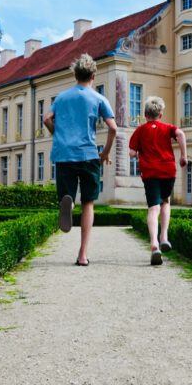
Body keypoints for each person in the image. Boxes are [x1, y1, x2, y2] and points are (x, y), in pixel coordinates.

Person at [44, 53, 117, 266]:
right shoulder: (99, 99)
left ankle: (67, 202)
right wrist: (105, 153)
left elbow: (46, 118)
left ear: (74, 74)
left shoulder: (61, 97)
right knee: (89, 202)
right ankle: (82, 254)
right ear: (93, 75)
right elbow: (113, 128)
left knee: (67, 194)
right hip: (88, 155)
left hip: (64, 154)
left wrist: (57, 133)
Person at [129, 96, 187, 266]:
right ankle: (164, 237)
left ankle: (154, 244)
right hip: (168, 170)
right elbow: (181, 134)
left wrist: (138, 153)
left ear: (145, 114)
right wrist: (183, 156)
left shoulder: (140, 130)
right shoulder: (168, 127)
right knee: (166, 202)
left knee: (153, 208)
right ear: (160, 114)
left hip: (150, 172)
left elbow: (131, 153)